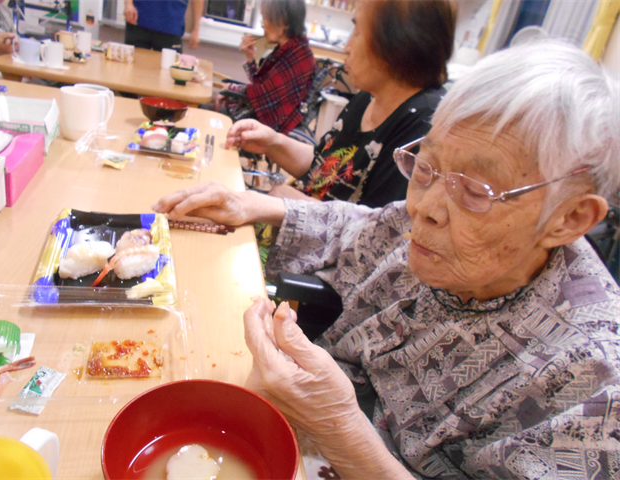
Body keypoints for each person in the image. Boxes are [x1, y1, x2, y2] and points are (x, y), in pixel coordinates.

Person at [152, 41, 620, 479]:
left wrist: (342, 432)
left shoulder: (594, 387)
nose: (424, 208)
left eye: (476, 191)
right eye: (426, 167)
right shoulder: (433, 225)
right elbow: (363, 223)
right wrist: (253, 205)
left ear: (569, 217)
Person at [228, 0, 455, 207]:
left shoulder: (423, 127)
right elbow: (324, 166)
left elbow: (371, 234)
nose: (347, 46)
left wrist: (288, 206)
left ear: (398, 42)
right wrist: (272, 142)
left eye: (357, 30)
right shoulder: (367, 97)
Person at [212, 0, 316, 136]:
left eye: (265, 18)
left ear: (282, 21)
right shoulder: (290, 49)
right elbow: (261, 85)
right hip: (263, 116)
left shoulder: (299, 56)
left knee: (206, 113)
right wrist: (250, 57)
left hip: (274, 127)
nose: (263, 25)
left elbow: (264, 92)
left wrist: (230, 88)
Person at [124, 0, 203, 52]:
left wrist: (196, 29)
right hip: (139, 21)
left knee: (169, 73)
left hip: (171, 27)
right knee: (132, 70)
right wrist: (128, 4)